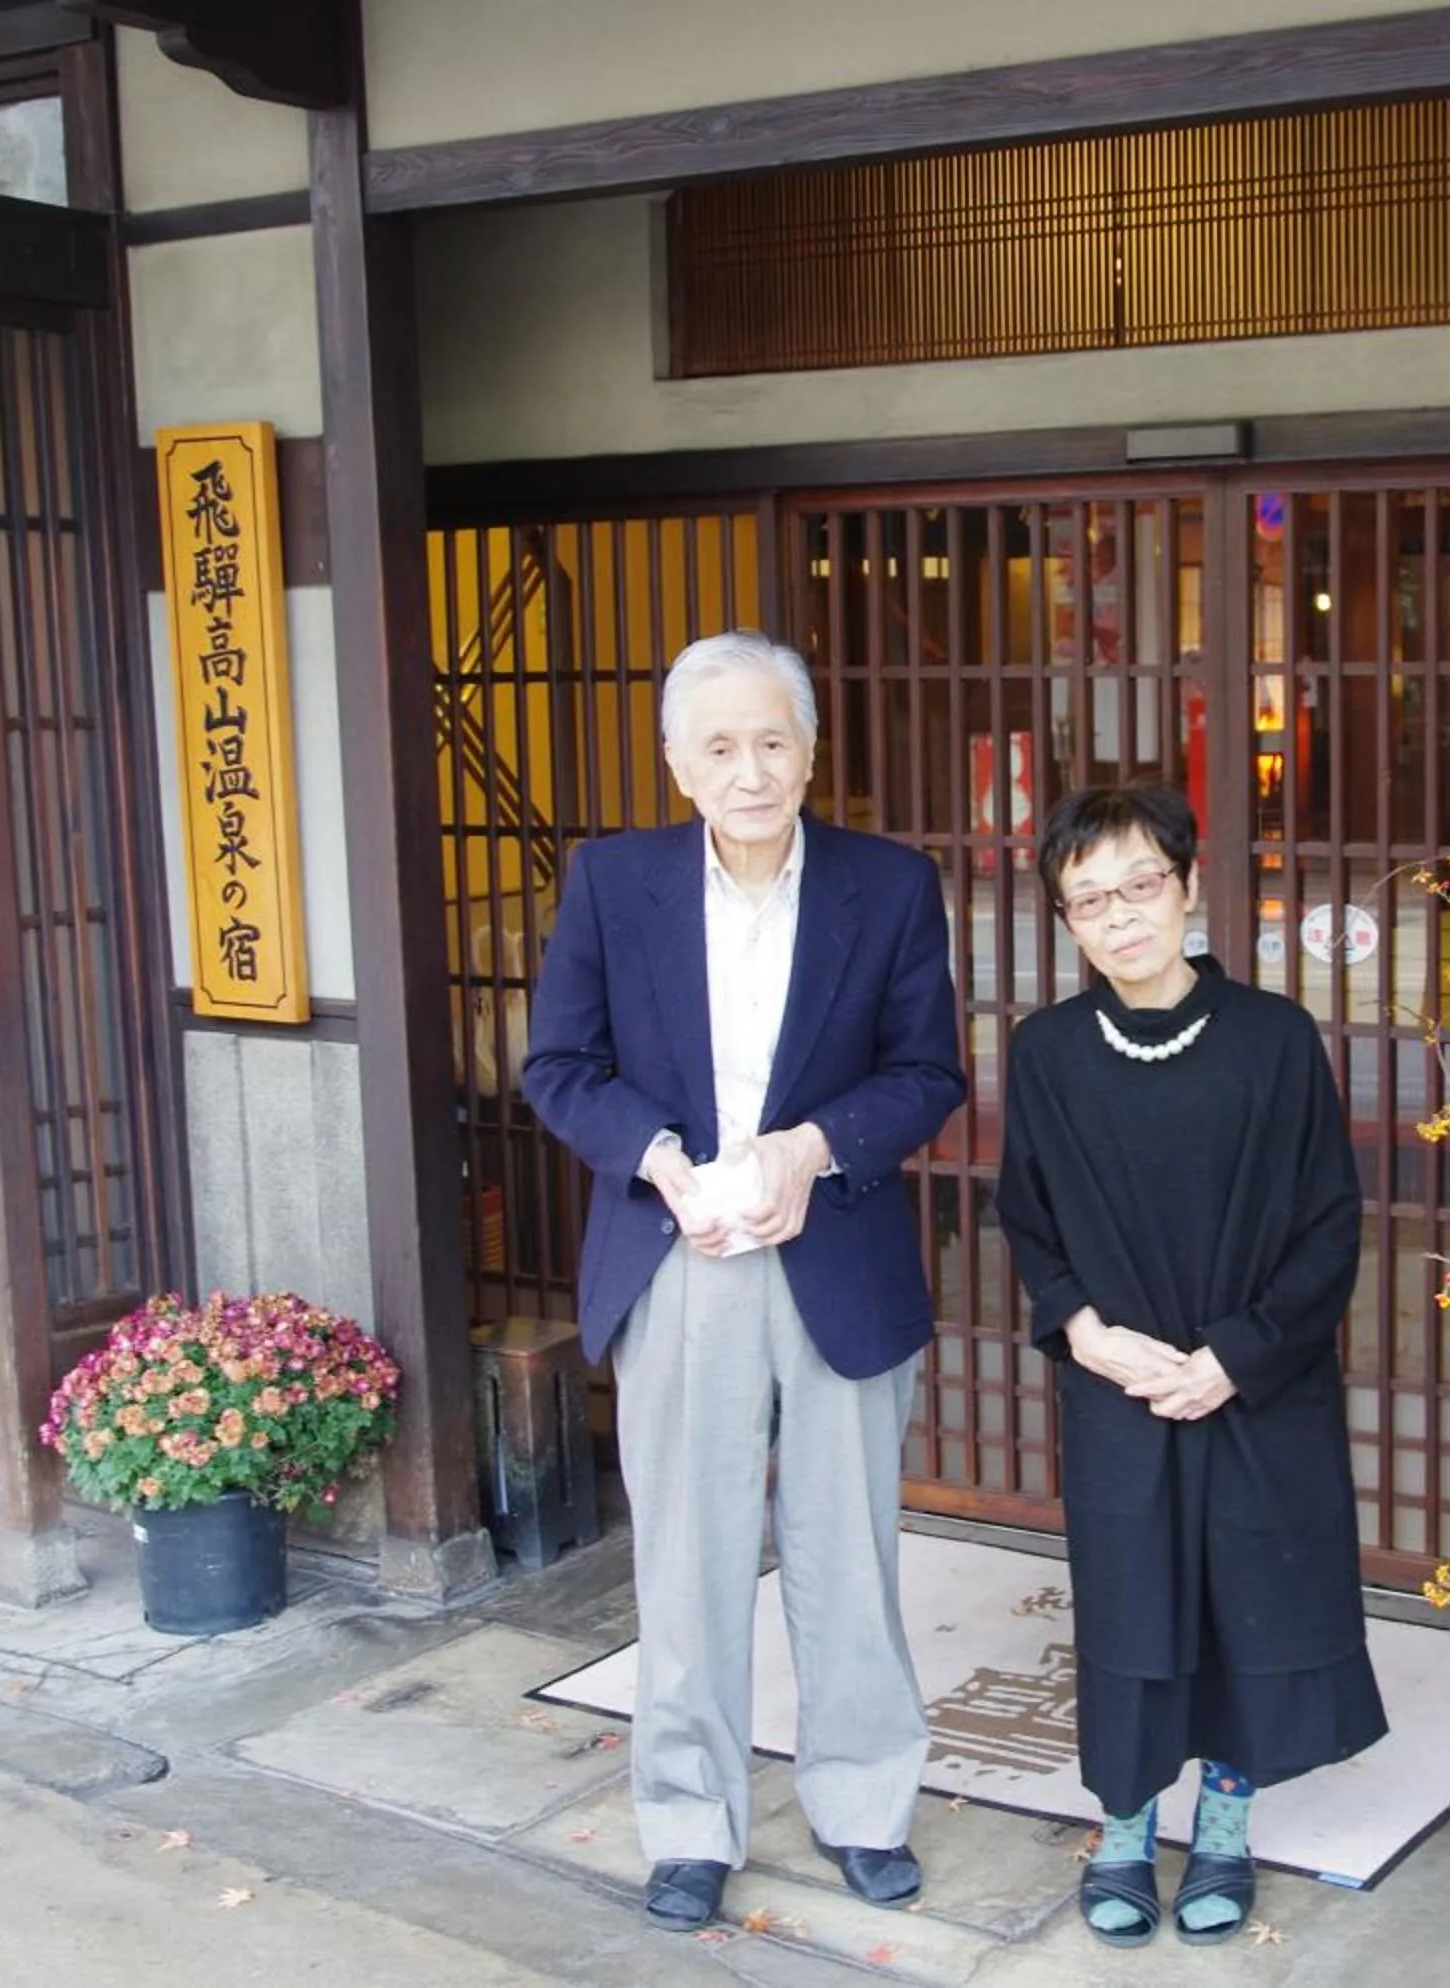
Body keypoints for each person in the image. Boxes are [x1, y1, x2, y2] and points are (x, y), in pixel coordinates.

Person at [522, 630, 964, 1934]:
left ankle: (864, 1803)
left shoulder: (886, 887)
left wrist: (804, 1151)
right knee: (691, 1558)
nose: (750, 769)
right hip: (681, 1254)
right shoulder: (614, 882)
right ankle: (689, 1819)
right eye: (719, 745)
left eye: (773, 741)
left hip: (832, 1246)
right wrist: (665, 1165)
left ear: (812, 751)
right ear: (677, 762)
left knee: (847, 1553)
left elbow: (927, 1071)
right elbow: (561, 1067)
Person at [994, 784, 1387, 1948]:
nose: (1120, 919)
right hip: (1119, 1381)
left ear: (1186, 884)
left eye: (1140, 887)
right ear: (1067, 920)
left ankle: (1226, 1811)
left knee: (1248, 1599)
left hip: (1256, 1381)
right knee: (1133, 1602)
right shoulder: (1048, 1052)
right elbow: (1030, 1216)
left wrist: (1236, 1356)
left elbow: (1330, 1224)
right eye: (1090, 901)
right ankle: (1123, 1822)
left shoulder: (1272, 1037)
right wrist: (1080, 1328)